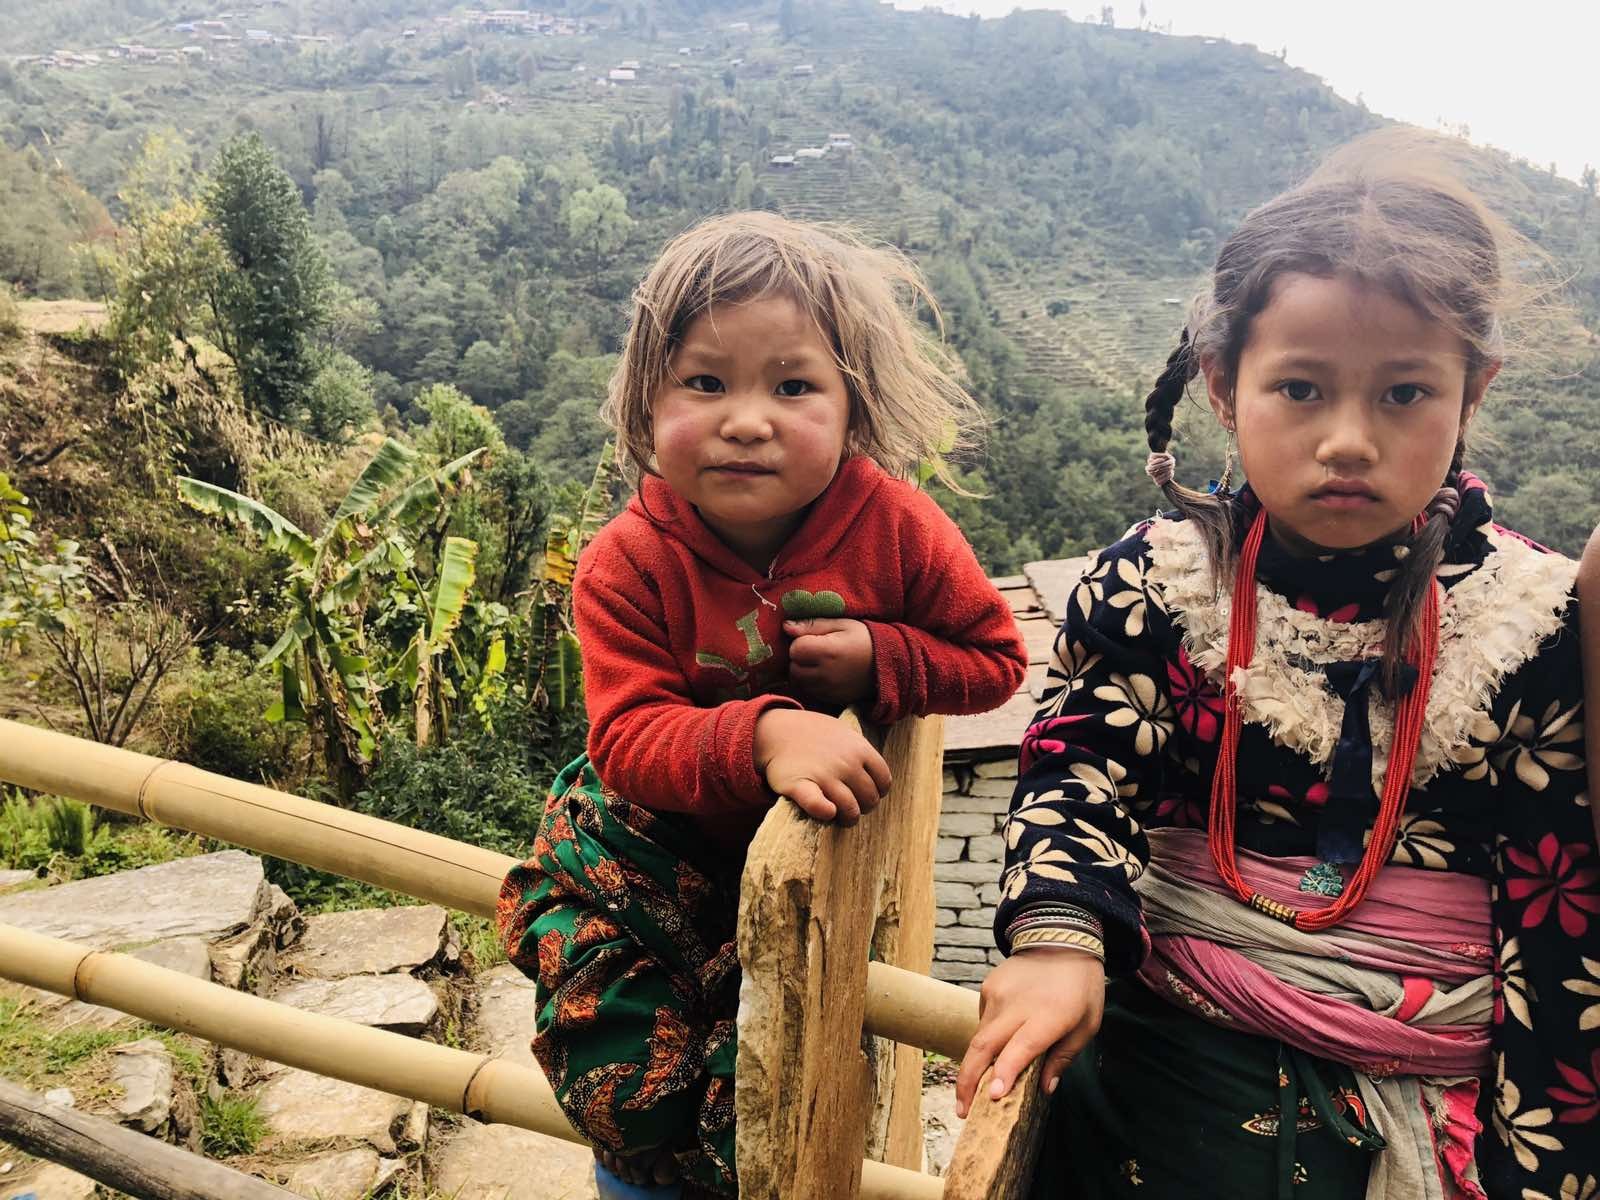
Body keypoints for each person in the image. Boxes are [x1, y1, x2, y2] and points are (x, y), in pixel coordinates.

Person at [958, 129, 1599, 1198]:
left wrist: (1540, 1174)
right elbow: (1080, 768)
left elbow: (1555, 909)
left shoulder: (1528, 625)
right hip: (1178, 1038)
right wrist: (1058, 939)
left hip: (1445, 1080)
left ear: (1471, 391)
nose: (1348, 438)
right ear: (1221, 384)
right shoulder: (1158, 586)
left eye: (1403, 394)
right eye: (1299, 388)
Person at [497, 212, 1029, 1199]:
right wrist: (767, 731)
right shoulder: (628, 560)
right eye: (705, 382)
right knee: (622, 1089)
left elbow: (993, 659)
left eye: (793, 385)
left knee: (763, 1107)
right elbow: (625, 739)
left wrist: (883, 656)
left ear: (851, 405)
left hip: (779, 887)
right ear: (644, 402)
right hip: (636, 851)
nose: (747, 418)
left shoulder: (896, 529)